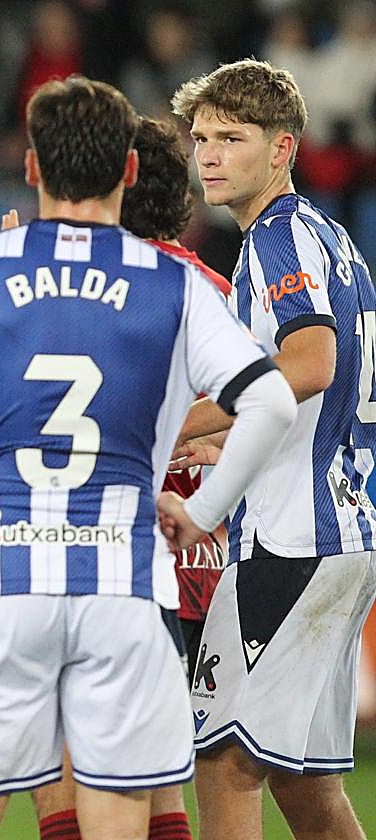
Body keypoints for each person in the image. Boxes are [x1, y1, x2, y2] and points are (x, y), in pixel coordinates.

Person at [0, 76, 297, 840]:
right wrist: (201, 511)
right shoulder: (173, 284)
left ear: (31, 169)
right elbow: (273, 402)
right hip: (123, 587)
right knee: (124, 813)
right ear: (128, 171)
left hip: (2, 577)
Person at [171, 58, 376, 840]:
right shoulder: (333, 239)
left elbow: (310, 362)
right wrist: (221, 439)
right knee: (304, 788)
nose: (210, 155)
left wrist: (173, 429)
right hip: (342, 532)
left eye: (233, 137)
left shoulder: (277, 239)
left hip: (293, 539)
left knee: (224, 762)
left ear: (283, 148)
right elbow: (312, 398)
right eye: (201, 138)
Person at [29, 115, 230, 840]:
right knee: (155, 779)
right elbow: (271, 407)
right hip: (198, 565)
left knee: (58, 762)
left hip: (90, 552)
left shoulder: (76, 288)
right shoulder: (217, 290)